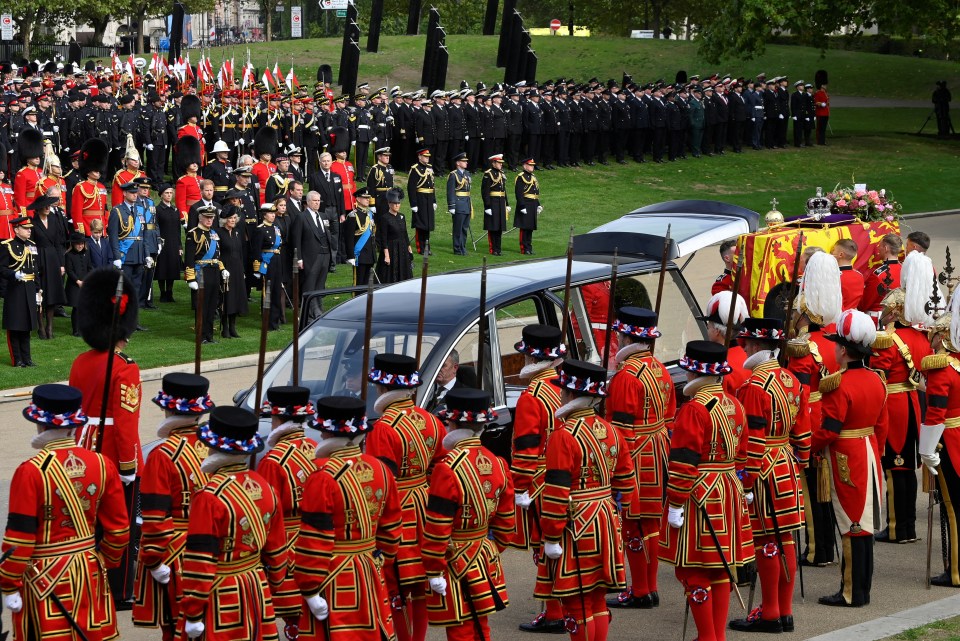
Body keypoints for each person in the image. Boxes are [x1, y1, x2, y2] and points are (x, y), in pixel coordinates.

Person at [0, 384, 130, 641]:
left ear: (39, 424)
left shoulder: (30, 470)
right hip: (89, 568)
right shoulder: (103, 464)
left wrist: (9, 581)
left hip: (44, 578)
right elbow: (120, 530)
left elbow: (19, 538)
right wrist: (103, 561)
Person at [659, 340, 754, 641]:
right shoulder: (735, 404)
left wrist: (675, 504)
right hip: (729, 489)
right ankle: (716, 636)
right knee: (721, 567)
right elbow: (743, 456)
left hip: (700, 493)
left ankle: (708, 637)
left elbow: (683, 463)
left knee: (694, 569)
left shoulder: (694, 409)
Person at [534, 359, 634, 641]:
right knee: (598, 600)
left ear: (569, 394)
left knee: (576, 602)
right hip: (605, 518)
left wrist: (551, 535)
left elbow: (555, 492)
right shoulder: (611, 430)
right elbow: (626, 481)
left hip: (576, 523)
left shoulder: (562, 436)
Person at [293, 395, 403, 641]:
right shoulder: (381, 470)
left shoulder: (321, 476)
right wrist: (379, 560)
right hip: (370, 568)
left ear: (329, 434)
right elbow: (393, 527)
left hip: (334, 574)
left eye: (323, 431)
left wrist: (309, 588)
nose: (321, 436)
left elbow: (314, 539)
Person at [728, 318, 810, 633]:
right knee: (785, 536)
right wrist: (801, 458)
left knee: (765, 540)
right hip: (787, 462)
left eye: (746, 341)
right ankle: (784, 610)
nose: (742, 346)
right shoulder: (791, 380)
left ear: (757, 345)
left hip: (763, 467)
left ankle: (771, 613)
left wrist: (747, 481)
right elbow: (803, 432)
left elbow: (753, 440)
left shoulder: (753, 387)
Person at [179, 406, 289, 641]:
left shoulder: (208, 497)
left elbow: (200, 562)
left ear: (212, 447)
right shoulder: (266, 488)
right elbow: (278, 552)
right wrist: (272, 585)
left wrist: (193, 612)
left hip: (221, 593)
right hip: (256, 586)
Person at [70, 267, 143, 609]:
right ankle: (119, 588)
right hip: (114, 453)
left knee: (86, 521)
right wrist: (129, 466)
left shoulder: (80, 362)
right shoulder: (125, 367)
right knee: (121, 524)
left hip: (82, 449)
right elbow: (127, 423)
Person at [423, 388, 516, 641]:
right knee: (481, 624)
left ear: (453, 423)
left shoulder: (446, 468)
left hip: (455, 558)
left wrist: (433, 569)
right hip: (485, 552)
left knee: (460, 628)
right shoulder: (498, 463)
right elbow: (507, 523)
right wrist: (493, 547)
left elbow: (437, 526)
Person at [365, 353, 446, 641]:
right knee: (420, 586)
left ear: (383, 388)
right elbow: (440, 467)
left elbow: (380, 484)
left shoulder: (383, 428)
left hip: (398, 510)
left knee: (395, 586)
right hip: (425, 504)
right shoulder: (432, 421)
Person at [813, 309, 888, 607]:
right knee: (864, 523)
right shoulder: (877, 379)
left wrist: (808, 445)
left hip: (846, 455)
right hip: (869, 450)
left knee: (851, 523)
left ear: (843, 351)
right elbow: (881, 427)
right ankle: (862, 589)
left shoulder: (837, 384)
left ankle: (851, 592)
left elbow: (829, 430)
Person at [132, 373, 214, 641]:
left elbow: (155, 517)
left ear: (167, 408)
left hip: (177, 551)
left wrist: (153, 560)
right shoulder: (215, 447)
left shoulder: (162, 454)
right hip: (214, 548)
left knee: (176, 627)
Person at [605, 308, 676, 611]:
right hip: (659, 449)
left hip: (636, 454)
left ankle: (640, 590)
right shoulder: (660, 368)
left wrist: (616, 468)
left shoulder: (626, 376)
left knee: (633, 525)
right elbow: (670, 415)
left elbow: (620, 430)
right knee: (651, 523)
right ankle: (649, 586)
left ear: (625, 337)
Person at [870, 251, 934, 544]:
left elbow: (879, 377)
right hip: (914, 406)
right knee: (908, 468)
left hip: (895, 406)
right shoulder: (920, 338)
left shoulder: (889, 338)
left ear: (895, 311)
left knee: (896, 469)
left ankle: (897, 527)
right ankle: (908, 526)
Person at [507, 324, 567, 633]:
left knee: (544, 546)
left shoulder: (532, 396)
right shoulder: (566, 387)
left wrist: (520, 486)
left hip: (542, 479)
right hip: (568, 475)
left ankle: (555, 610)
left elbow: (527, 448)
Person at [785, 250, 843, 567]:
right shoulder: (834, 341)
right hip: (828, 415)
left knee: (809, 490)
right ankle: (825, 548)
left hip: (808, 417)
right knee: (824, 487)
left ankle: (815, 549)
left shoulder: (803, 348)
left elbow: (798, 394)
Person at [256, 386, 319, 637]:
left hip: (287, 544)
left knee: (293, 617)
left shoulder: (272, 461)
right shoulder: (316, 447)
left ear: (278, 418)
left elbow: (266, 513)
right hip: (315, 539)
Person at [919, 289, 960, 587]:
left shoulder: (942, 366)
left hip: (948, 440)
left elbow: (935, 412)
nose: (930, 338)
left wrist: (926, 450)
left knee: (951, 507)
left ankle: (956, 570)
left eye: (934, 333)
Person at [27, 194, 67, 340]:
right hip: (39, 258)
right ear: (37, 209)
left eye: (49, 205)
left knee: (52, 294)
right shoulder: (32, 222)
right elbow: (31, 245)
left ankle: (50, 326)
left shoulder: (54, 220)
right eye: (44, 206)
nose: (47, 207)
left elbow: (58, 243)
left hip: (53, 258)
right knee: (40, 294)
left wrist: (61, 264)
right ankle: (41, 327)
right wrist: (34, 264)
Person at [1, 216, 39, 367]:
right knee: (15, 324)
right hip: (15, 289)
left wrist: (38, 290)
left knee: (27, 324)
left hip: (29, 287)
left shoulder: (32, 245)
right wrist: (13, 274)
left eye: (30, 228)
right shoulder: (7, 246)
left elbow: (36, 270)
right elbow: (1, 268)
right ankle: (17, 359)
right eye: (26, 228)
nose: (29, 230)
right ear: (16, 230)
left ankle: (27, 358)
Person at [185, 206, 227, 344]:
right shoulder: (193, 234)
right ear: (200, 217)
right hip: (201, 273)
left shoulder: (214, 234)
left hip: (214, 272)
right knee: (202, 306)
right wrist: (191, 278)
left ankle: (209, 335)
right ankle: (201, 336)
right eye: (207, 217)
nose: (210, 220)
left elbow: (217, 256)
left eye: (212, 218)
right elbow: (189, 258)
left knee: (212, 305)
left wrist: (222, 269)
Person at [293, 190, 334, 321]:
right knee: (309, 284)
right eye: (314, 201)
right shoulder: (302, 217)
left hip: (325, 255)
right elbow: (296, 239)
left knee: (320, 284)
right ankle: (310, 313)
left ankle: (318, 310)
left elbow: (328, 234)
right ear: (308, 202)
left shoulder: (323, 216)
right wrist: (298, 258)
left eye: (318, 201)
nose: (317, 203)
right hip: (310, 256)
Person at [700, 289, 750, 394]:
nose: (707, 328)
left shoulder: (717, 366)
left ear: (717, 331)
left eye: (709, 325)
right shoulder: (747, 357)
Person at [108, 181, 148, 308]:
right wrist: (117, 257)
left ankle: (133, 320)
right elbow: (113, 236)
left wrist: (146, 255)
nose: (135, 195)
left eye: (136, 193)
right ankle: (122, 320)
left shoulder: (141, 210)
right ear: (125, 193)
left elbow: (144, 234)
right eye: (132, 193)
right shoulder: (117, 211)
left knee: (136, 289)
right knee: (124, 289)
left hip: (139, 255)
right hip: (125, 255)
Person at [252, 203, 285, 330]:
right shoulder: (260, 229)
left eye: (273, 213)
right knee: (268, 292)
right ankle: (268, 321)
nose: (273, 215)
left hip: (277, 260)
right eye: (270, 213)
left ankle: (275, 321)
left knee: (277, 291)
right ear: (264, 215)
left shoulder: (276, 228)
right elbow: (255, 250)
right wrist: (257, 268)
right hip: (267, 262)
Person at [218, 208, 247, 338]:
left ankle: (233, 327)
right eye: (230, 218)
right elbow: (217, 253)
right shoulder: (219, 233)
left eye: (234, 218)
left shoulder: (237, 232)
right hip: (225, 268)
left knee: (236, 297)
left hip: (237, 269)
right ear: (225, 220)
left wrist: (243, 270)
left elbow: (241, 252)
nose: (233, 220)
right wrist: (221, 269)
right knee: (227, 298)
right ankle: (224, 328)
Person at [860, 233, 903, 321]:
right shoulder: (904, 270)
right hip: (900, 318)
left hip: (878, 320)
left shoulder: (879, 274)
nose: (878, 249)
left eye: (880, 246)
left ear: (886, 248)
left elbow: (864, 304)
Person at [376, 187, 413, 284]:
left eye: (398, 203)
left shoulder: (402, 216)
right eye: (395, 203)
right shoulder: (384, 218)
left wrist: (409, 248)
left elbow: (405, 234)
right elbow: (383, 238)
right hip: (391, 249)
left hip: (403, 248)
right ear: (389, 204)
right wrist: (386, 255)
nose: (397, 205)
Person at [343, 187, 377, 287]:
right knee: (358, 283)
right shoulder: (353, 215)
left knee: (368, 283)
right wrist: (350, 256)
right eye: (365, 197)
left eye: (368, 198)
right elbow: (348, 237)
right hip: (359, 255)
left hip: (370, 254)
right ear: (358, 199)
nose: (368, 199)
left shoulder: (370, 214)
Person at [154, 183, 182, 303]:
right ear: (161, 195)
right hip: (162, 243)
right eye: (166, 193)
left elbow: (178, 229)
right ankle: (162, 293)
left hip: (174, 243)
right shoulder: (157, 210)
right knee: (162, 268)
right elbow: (156, 227)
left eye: (171, 193)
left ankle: (170, 292)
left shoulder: (175, 209)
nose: (169, 195)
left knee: (172, 267)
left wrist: (180, 245)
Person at [408, 148, 437, 255]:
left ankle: (427, 247)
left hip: (429, 198)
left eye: (428, 156)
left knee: (428, 224)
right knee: (421, 224)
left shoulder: (429, 168)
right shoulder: (415, 169)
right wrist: (413, 204)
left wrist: (434, 200)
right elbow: (411, 188)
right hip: (420, 198)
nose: (427, 158)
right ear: (419, 157)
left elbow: (432, 185)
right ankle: (421, 248)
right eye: (425, 156)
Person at [481, 154, 509, 256]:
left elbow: (504, 190)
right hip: (493, 203)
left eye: (501, 163)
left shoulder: (501, 174)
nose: (501, 165)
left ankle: (499, 248)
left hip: (501, 203)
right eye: (499, 163)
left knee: (499, 228)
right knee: (493, 227)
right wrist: (487, 206)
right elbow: (485, 192)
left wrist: (507, 204)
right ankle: (493, 249)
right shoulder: (488, 174)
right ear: (493, 163)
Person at [64, 230, 91, 337]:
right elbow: (69, 271)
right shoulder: (69, 255)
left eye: (82, 243)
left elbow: (89, 267)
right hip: (74, 285)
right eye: (78, 244)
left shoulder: (87, 253)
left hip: (85, 283)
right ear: (73, 244)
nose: (80, 246)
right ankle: (76, 329)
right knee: (77, 307)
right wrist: (78, 281)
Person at [446, 152, 472, 256]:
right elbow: (450, 191)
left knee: (464, 228)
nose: (466, 163)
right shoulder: (454, 175)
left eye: (466, 161)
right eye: (463, 161)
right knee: (458, 228)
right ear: (458, 163)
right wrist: (451, 205)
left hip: (466, 204)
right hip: (458, 204)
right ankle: (457, 248)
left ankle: (463, 247)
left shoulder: (467, 174)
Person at [514, 158, 540, 255]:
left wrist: (538, 205)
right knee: (524, 227)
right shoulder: (521, 177)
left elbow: (534, 193)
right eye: (530, 165)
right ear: (525, 166)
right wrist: (522, 206)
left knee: (530, 227)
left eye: (533, 165)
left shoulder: (533, 177)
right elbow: (519, 193)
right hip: (525, 204)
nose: (532, 167)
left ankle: (529, 247)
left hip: (532, 204)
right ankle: (524, 248)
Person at [832, 238, 863, 311]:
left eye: (833, 250)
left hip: (838, 318)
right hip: (854, 317)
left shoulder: (834, 276)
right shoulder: (860, 275)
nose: (831, 253)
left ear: (840, 254)